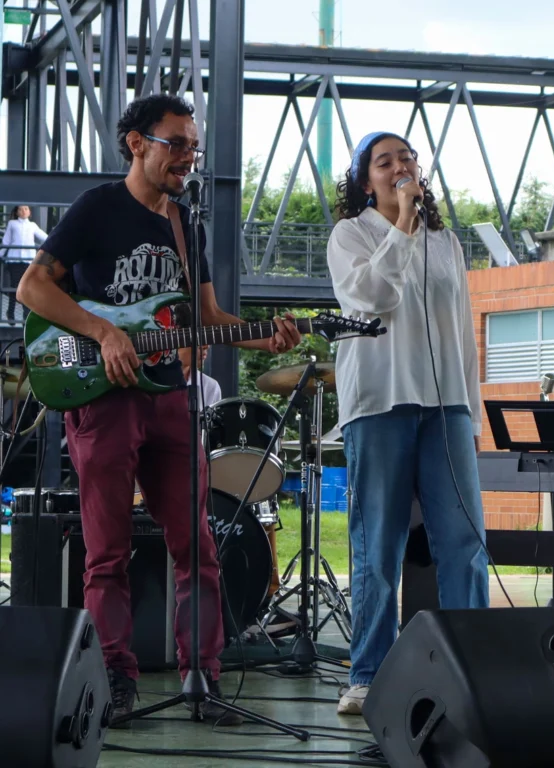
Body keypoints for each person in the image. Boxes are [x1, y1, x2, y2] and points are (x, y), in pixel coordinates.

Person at [16, 93, 301, 726]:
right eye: (178, 143)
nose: (189, 157)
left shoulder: (184, 222)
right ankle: (116, 679)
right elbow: (33, 286)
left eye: (195, 147)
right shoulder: (97, 208)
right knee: (107, 552)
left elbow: (207, 318)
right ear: (137, 143)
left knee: (197, 545)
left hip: (172, 397)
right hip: (103, 400)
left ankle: (203, 675)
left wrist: (264, 334)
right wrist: (103, 332)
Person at [327, 131, 490, 715]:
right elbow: (368, 298)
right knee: (379, 544)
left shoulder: (446, 242)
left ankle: (472, 664)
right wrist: (399, 226)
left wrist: (469, 411)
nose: (399, 166)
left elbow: (463, 334)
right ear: (364, 179)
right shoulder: (350, 235)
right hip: (379, 403)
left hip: (446, 408)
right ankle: (368, 672)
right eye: (383, 160)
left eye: (406, 157)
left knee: (465, 540)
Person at [1, 205, 47, 322]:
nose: (23, 211)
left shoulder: (32, 226)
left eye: (26, 209)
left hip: (28, 260)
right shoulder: (12, 223)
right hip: (14, 260)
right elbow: (6, 241)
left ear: (29, 211)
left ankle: (25, 315)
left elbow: (44, 237)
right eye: (21, 209)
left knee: (27, 287)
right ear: (17, 212)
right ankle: (10, 313)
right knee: (14, 286)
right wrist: (1, 254)